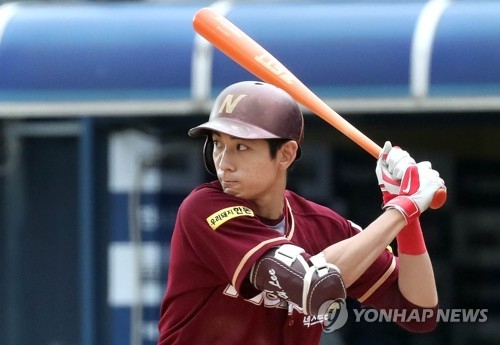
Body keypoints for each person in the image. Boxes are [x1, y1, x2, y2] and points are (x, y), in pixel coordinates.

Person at [157, 81, 446, 345]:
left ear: (285, 154)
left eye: (241, 146)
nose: (224, 163)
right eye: (219, 145)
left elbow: (419, 312)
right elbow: (311, 284)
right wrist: (402, 208)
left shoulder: (321, 226)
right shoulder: (204, 209)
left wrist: (406, 213)